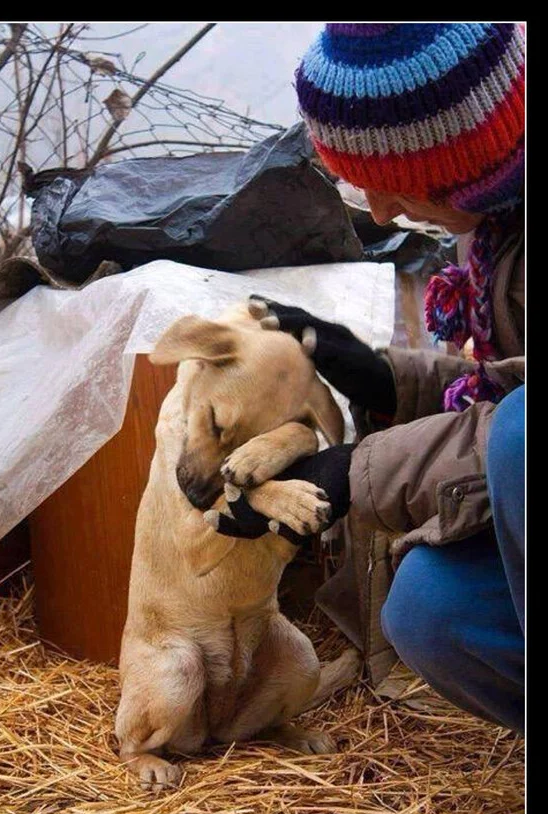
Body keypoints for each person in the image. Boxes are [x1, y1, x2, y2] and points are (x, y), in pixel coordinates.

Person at [207, 23, 525, 734]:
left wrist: (355, 470)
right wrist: (386, 377)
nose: (378, 212)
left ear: (467, 161)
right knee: (431, 608)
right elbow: (506, 385)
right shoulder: (499, 230)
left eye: (397, 186)